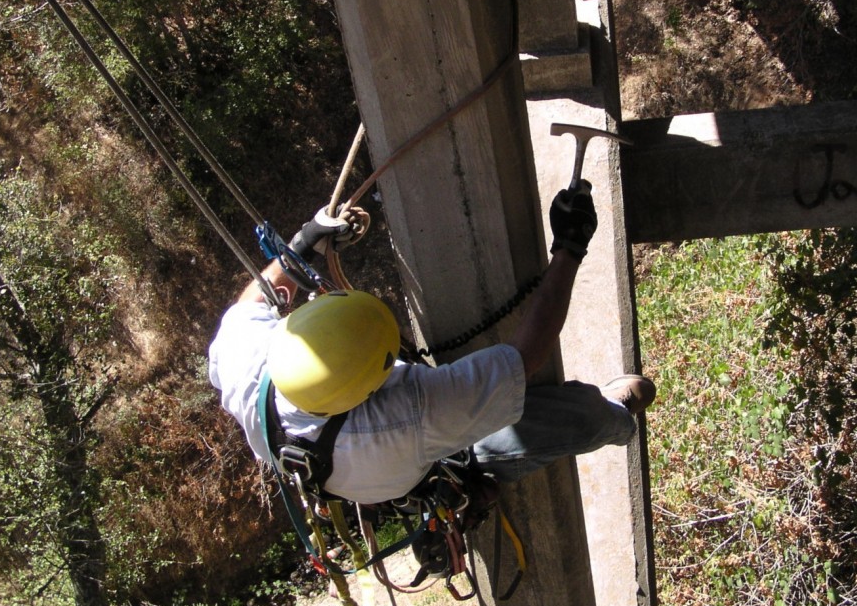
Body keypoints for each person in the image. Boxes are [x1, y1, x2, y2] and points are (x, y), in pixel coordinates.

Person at [208, 182, 655, 505]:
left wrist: (306, 242)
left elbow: (255, 300)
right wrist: (571, 247)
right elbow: (524, 358)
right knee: (570, 420)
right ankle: (615, 417)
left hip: (342, 469)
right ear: (372, 389)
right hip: (405, 465)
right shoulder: (406, 418)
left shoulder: (246, 357)